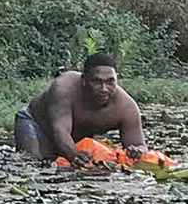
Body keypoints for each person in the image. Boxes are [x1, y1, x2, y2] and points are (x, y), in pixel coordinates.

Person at [14, 51, 146, 164]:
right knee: (35, 162)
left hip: (74, 137)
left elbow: (139, 145)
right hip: (36, 123)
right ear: (84, 80)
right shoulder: (64, 88)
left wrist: (137, 152)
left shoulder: (127, 107)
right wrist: (74, 154)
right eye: (97, 81)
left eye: (110, 82)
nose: (104, 89)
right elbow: (59, 130)